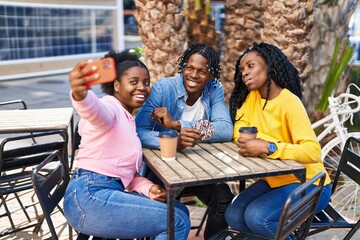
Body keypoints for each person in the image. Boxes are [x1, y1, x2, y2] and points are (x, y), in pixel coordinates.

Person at [63, 50, 191, 240]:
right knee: (176, 221)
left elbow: (124, 173)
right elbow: (95, 112)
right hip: (88, 197)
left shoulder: (128, 120)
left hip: (104, 192)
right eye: (133, 82)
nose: (142, 87)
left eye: (146, 83)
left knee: (180, 210)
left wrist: (148, 188)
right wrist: (81, 94)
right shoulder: (111, 107)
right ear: (116, 85)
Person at [225, 42, 332, 239]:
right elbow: (240, 129)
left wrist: (269, 146)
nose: (244, 73)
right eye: (242, 69)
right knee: (233, 215)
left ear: (269, 66)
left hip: (311, 184)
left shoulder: (289, 102)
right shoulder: (251, 98)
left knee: (258, 217)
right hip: (275, 180)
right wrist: (251, 139)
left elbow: (312, 151)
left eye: (251, 66)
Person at [135, 43, 235, 239]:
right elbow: (138, 131)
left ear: (211, 74)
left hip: (198, 169)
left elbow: (225, 130)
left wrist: (178, 123)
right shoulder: (164, 88)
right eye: (189, 68)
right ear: (183, 67)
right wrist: (173, 140)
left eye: (202, 71)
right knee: (166, 205)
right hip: (164, 170)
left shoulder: (214, 89)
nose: (194, 75)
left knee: (223, 197)